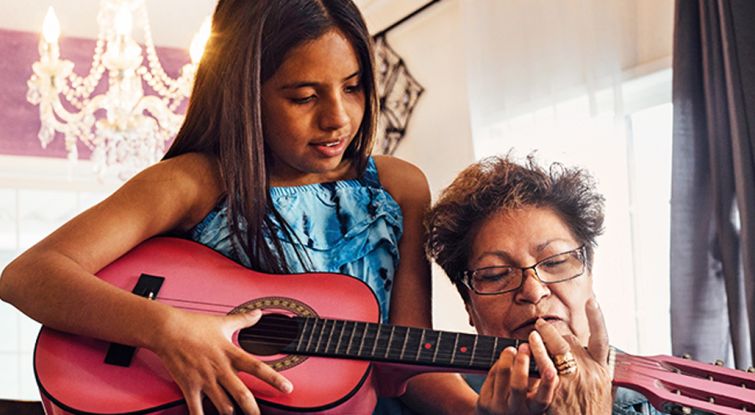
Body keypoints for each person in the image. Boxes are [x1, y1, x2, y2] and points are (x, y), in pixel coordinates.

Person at [0, 1, 474, 414]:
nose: (339, 118)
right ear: (245, 93)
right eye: (304, 96)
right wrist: (168, 330)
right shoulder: (197, 181)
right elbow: (27, 275)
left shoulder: (399, 187)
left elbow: (411, 363)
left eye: (353, 87)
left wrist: (484, 408)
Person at [424, 155, 667, 414]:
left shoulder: (667, 404)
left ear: (590, 276)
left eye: (555, 262)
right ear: (469, 306)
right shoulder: (435, 403)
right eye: (495, 274)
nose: (533, 290)